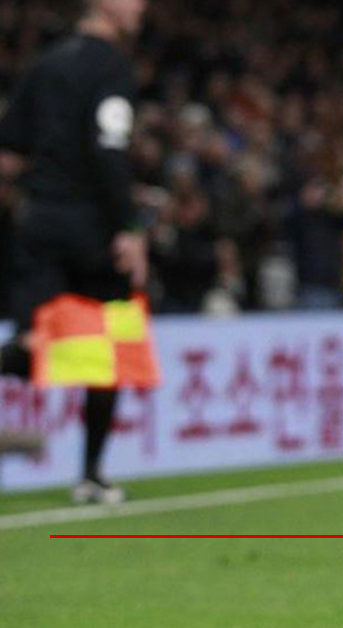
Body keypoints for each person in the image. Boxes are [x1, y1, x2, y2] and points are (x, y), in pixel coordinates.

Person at [0, 0, 148, 504]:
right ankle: (90, 475)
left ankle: (91, 474)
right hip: (92, 225)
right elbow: (109, 149)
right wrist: (128, 226)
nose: (142, 7)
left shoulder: (46, 64)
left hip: (39, 219)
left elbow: (9, 149)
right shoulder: (112, 66)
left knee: (34, 342)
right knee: (108, 349)